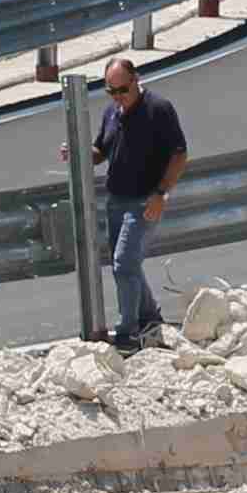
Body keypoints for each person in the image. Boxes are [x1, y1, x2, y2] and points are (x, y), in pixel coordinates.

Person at [91, 58, 189, 349]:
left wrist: (161, 194)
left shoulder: (158, 109)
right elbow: (101, 150)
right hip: (116, 200)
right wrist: (79, 150)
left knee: (123, 264)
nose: (119, 96)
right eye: (112, 91)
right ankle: (149, 316)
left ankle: (127, 333)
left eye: (123, 89)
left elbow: (179, 154)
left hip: (144, 201)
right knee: (128, 264)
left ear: (136, 79)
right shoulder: (112, 112)